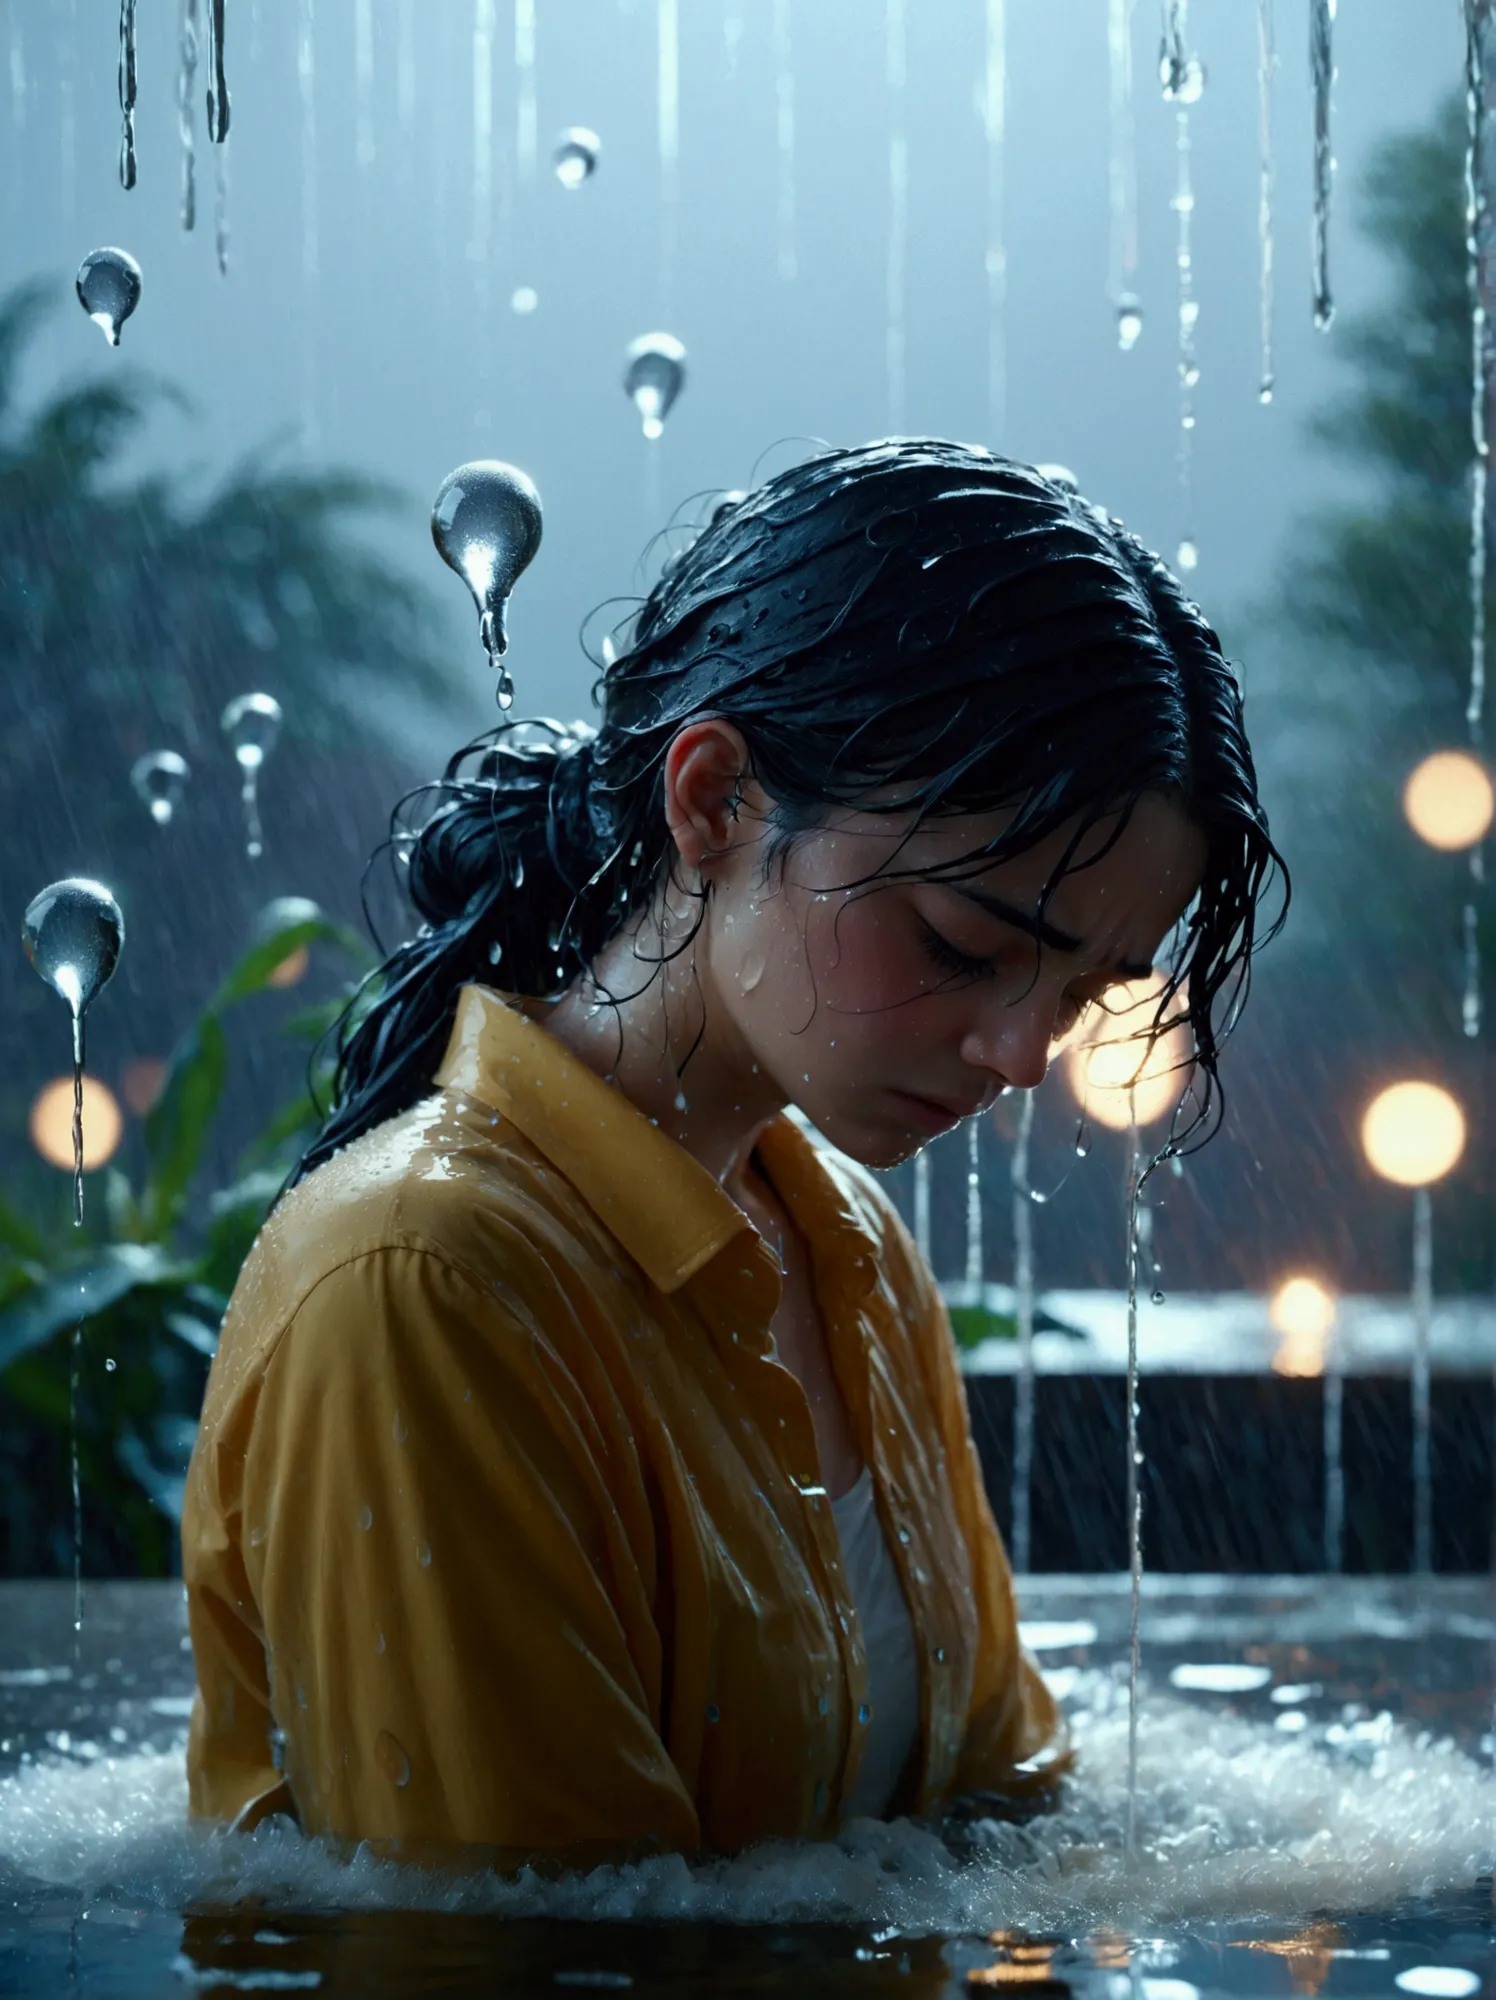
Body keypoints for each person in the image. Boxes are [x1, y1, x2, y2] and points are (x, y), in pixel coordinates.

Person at [181, 439, 1284, 1872]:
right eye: (963, 944)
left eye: (1086, 992)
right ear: (711, 802)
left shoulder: (848, 1251)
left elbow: (1004, 1799)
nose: (1024, 1056)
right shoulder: (424, 1285)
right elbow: (533, 1965)